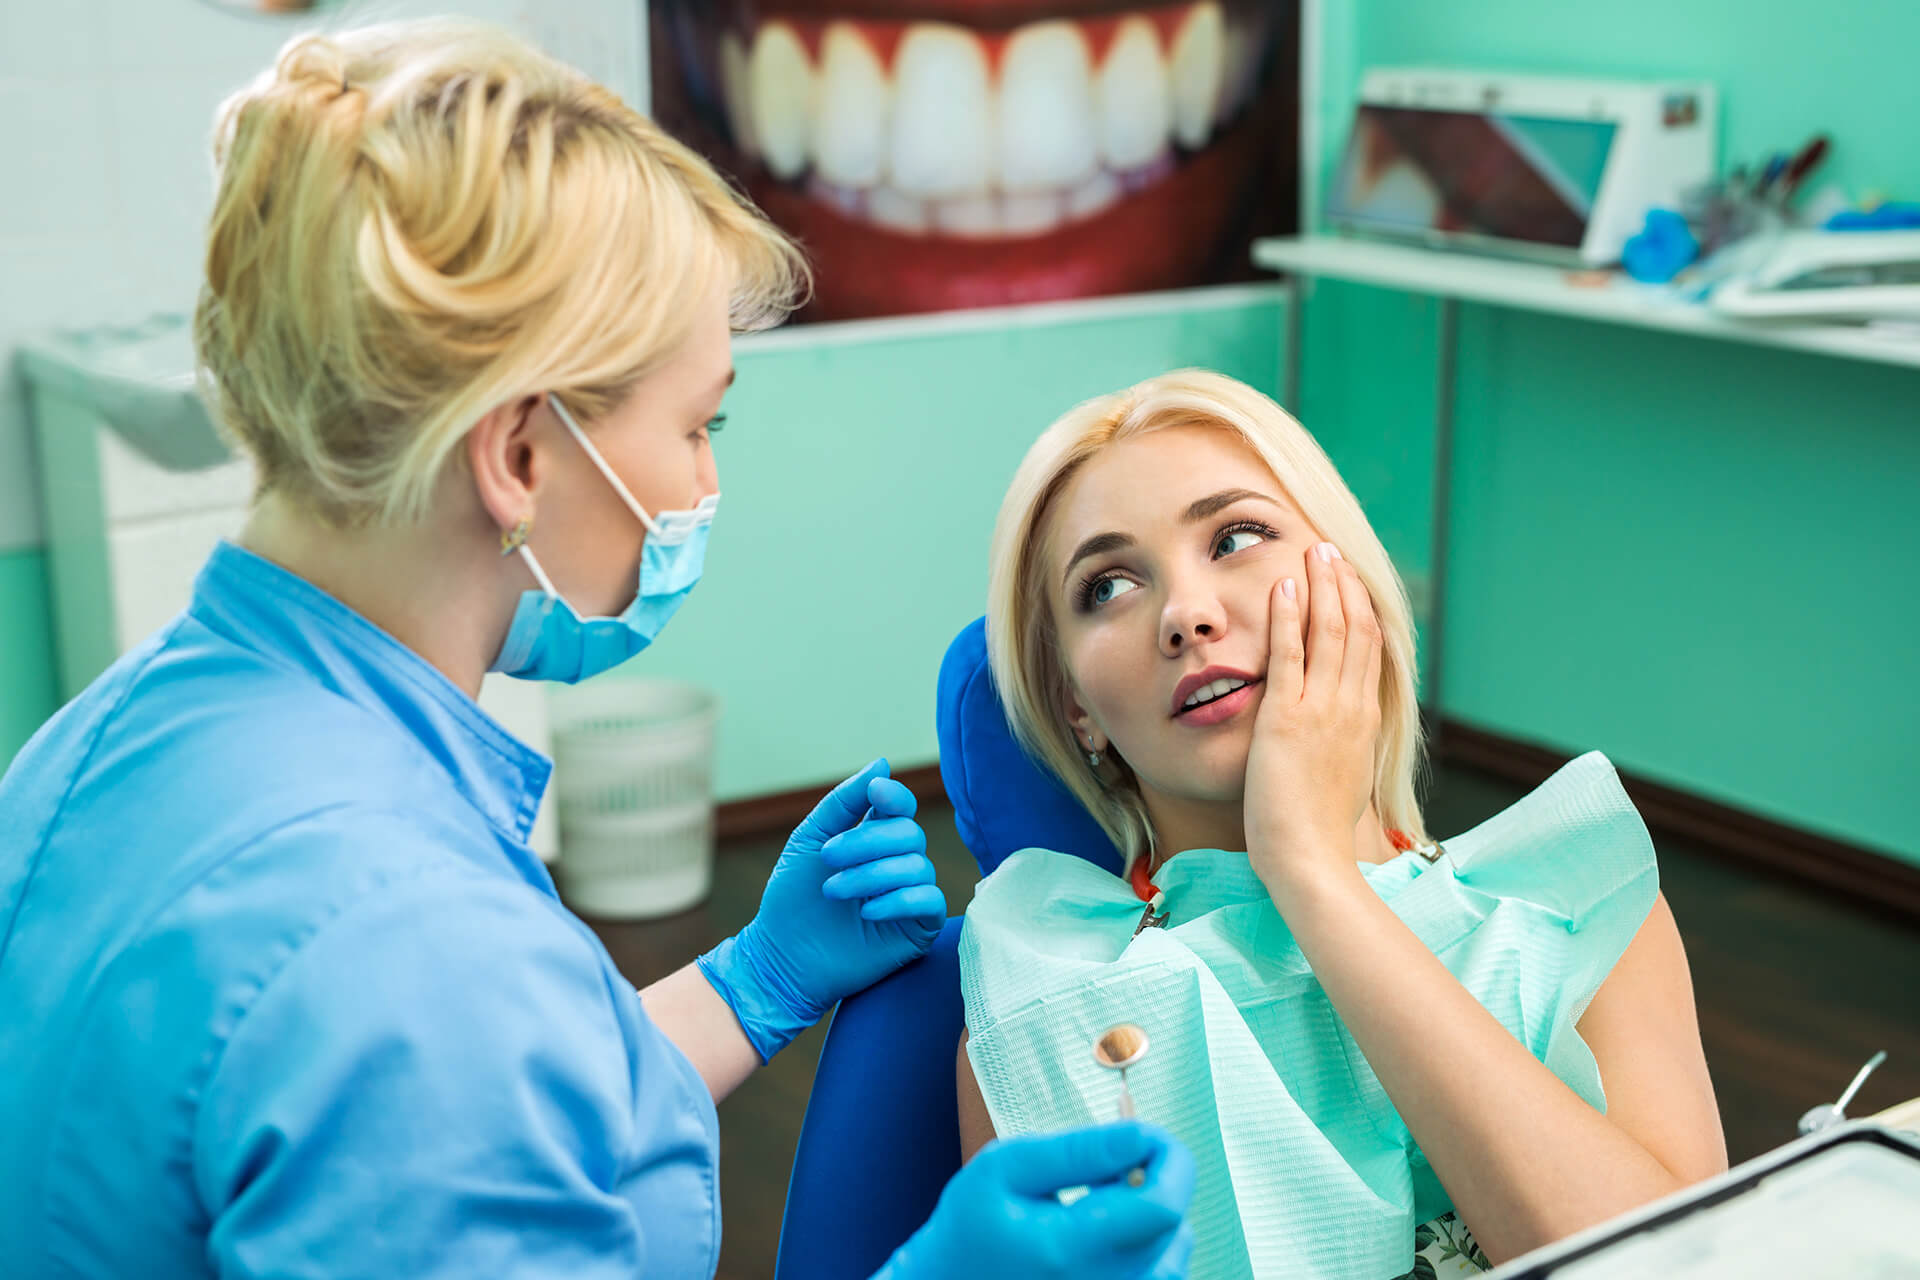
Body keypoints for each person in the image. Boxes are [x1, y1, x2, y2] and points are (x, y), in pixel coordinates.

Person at [0, 21, 1193, 1280]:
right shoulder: (410, 950)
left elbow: (454, 1132)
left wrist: (754, 978)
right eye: (696, 422)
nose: (704, 479)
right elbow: (438, 1062)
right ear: (519, 456)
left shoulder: (105, 738)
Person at [955, 370, 1728, 1277]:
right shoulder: (1041, 1007)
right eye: (1109, 587)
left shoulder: (1576, 906)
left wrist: (1312, 875)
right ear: (1076, 707)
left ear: (1352, 586)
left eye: (1236, 536)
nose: (1187, 615)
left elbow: (1676, 1264)